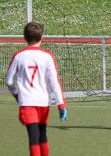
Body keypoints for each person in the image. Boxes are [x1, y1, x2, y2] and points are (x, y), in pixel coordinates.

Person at [6, 22, 67, 156]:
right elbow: (55, 82)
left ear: (25, 37)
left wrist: (17, 95)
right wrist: (61, 105)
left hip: (27, 102)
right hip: (43, 102)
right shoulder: (48, 56)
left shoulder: (18, 56)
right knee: (42, 136)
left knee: (33, 138)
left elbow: (9, 81)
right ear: (42, 37)